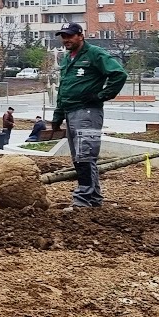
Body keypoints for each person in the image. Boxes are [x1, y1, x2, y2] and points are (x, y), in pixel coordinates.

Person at [51, 23, 127, 209]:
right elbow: (65, 88)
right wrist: (57, 115)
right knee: (79, 158)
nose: (66, 40)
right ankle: (93, 199)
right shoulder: (68, 58)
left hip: (87, 113)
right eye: (63, 36)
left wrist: (101, 95)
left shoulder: (95, 54)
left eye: (69, 36)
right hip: (71, 112)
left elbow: (119, 74)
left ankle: (82, 201)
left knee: (86, 156)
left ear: (80, 35)